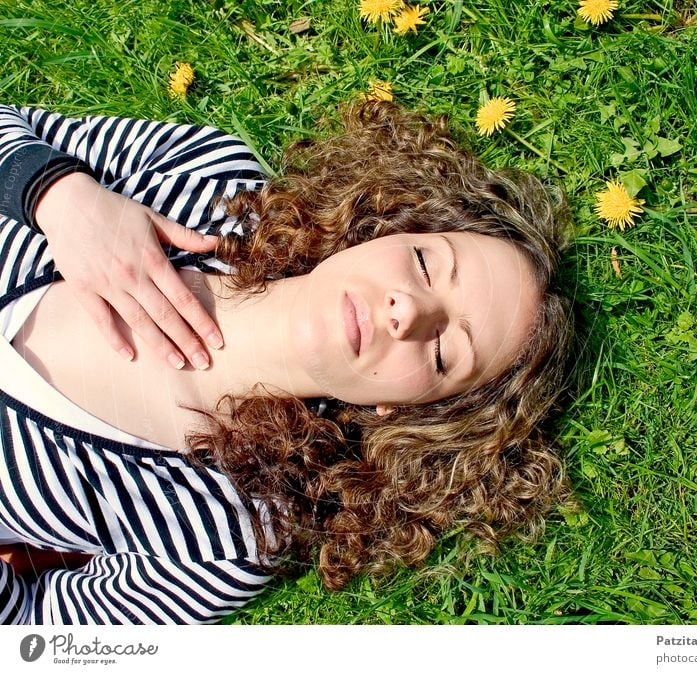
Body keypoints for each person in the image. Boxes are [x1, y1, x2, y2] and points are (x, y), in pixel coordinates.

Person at [0, 99, 572, 624]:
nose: (408, 312)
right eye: (425, 264)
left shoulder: (224, 538)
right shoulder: (207, 179)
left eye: (445, 351)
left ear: (404, 411)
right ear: (391, 229)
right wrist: (55, 196)